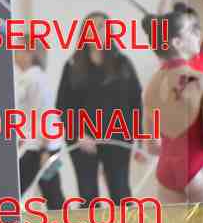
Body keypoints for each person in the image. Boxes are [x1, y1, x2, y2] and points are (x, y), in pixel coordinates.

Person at [56, 11, 143, 206]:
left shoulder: (122, 63)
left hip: (118, 136)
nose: (97, 30)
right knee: (88, 196)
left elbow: (136, 102)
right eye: (92, 26)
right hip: (83, 140)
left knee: (121, 192)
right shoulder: (72, 66)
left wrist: (140, 139)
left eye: (102, 26)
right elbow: (63, 106)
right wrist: (78, 134)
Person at [142, 3, 203, 203]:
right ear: (177, 42)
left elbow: (152, 146)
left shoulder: (150, 87)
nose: (198, 34)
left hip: (166, 171)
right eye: (192, 30)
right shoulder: (200, 80)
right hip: (196, 168)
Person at [14, 38, 65, 208]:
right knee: (54, 196)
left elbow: (46, 114)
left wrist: (46, 150)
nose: (14, 53)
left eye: (18, 48)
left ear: (30, 53)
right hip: (41, 146)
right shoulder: (31, 78)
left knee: (14, 190)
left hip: (40, 148)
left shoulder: (34, 79)